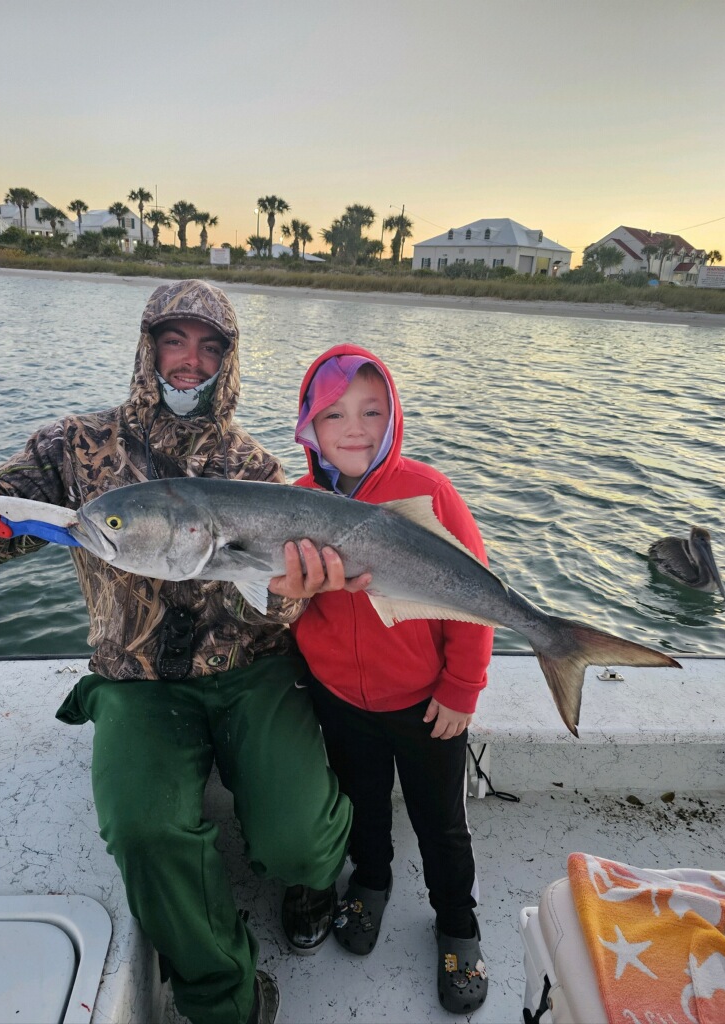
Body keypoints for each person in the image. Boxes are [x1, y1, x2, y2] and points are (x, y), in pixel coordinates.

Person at [0, 280, 356, 1024]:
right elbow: (2, 515)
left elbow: (286, 605)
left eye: (209, 347)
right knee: (145, 831)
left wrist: (301, 588)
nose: (189, 361)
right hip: (135, 681)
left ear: (228, 361)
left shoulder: (258, 470)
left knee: (299, 841)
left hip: (252, 674)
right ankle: (226, 992)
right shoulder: (75, 445)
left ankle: (313, 875)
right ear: (148, 345)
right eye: (174, 340)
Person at [287, 345, 495, 1015]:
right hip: (341, 700)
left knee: (443, 823)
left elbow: (478, 596)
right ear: (307, 427)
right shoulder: (292, 504)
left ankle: (458, 922)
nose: (354, 428)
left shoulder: (428, 492)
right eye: (334, 414)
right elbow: (282, 605)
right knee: (361, 805)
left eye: (372, 411)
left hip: (426, 703)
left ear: (395, 415)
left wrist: (462, 687)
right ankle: (369, 884)